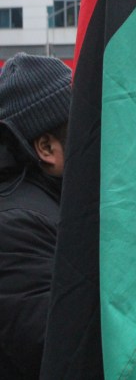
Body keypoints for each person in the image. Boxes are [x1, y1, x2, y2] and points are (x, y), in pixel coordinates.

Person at [0, 54, 72, 379]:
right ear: (46, 147)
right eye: (87, 130)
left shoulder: (54, 200)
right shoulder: (17, 224)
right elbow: (65, 348)